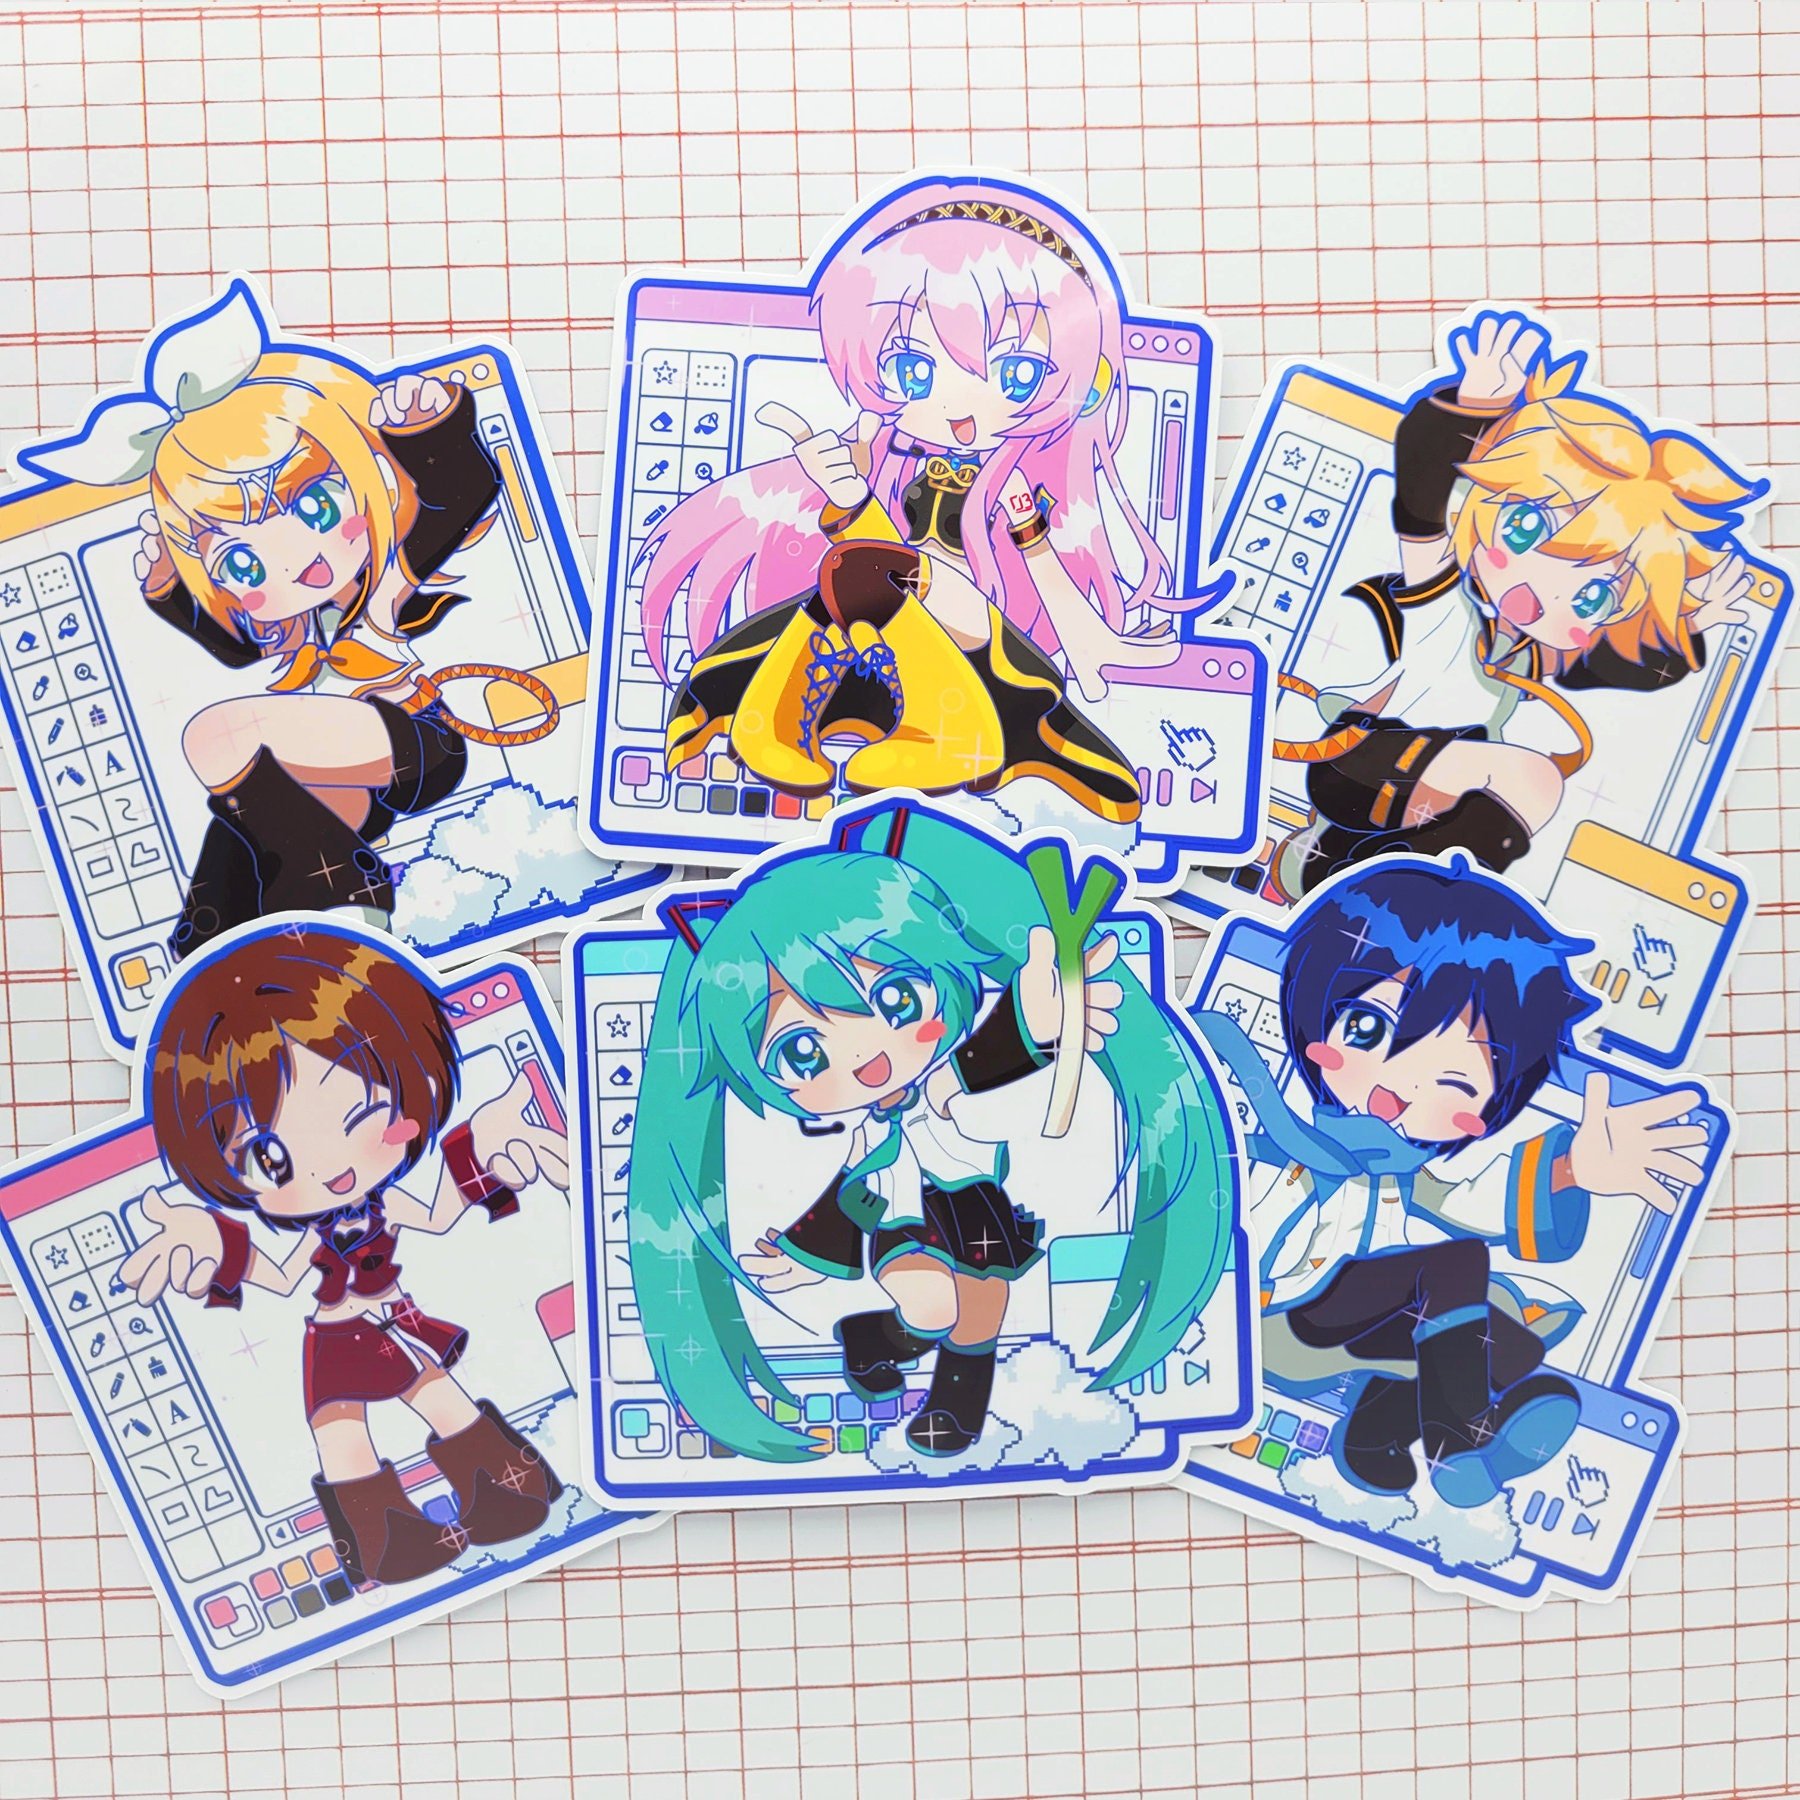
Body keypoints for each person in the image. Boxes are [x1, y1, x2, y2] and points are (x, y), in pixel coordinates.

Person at [628, 806, 1238, 1461]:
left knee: (985, 1302)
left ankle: (951, 1404)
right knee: (933, 1304)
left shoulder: (940, 1083)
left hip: (974, 1207)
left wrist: (1032, 1023)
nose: (866, 1056)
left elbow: (982, 1060)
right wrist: (804, 1255)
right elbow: (852, 1189)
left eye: (896, 1000)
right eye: (804, 1052)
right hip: (906, 1221)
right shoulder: (870, 1129)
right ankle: (883, 1336)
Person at [1194, 858, 1708, 1505]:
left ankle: (1376, 1437)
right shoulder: (1278, 1143)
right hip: (1269, 1320)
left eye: (1455, 1081)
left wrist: (1572, 1169)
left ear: (1482, 1110)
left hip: (1337, 1325)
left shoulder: (1400, 1170)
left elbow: (1464, 1200)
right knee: (1455, 1270)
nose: (1402, 1086)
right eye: (1368, 1029)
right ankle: (1459, 1437)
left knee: (1505, 1335)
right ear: (1317, 1023)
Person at [118, 925, 570, 1585]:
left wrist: (477, 1153)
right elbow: (281, 1277)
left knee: (438, 1395)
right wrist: (222, 1244)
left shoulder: (383, 1207)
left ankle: (506, 1491)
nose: (332, 1170)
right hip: (335, 1338)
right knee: (342, 1433)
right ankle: (387, 1542)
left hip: (394, 1320)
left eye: (362, 1114)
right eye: (271, 1158)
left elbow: (438, 1216)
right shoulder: (318, 1234)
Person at [1275, 311, 1763, 894]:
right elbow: (1421, 501)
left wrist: (1685, 625)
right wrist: (1469, 408)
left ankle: (1325, 865)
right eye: (1526, 528)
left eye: (1592, 596)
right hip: (1366, 759)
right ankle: (1409, 887)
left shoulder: (1532, 656)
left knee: (1516, 781)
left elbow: (1620, 664)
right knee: (1533, 780)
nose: (1544, 594)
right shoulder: (1443, 602)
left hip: (1413, 790)